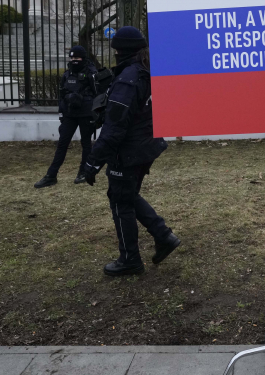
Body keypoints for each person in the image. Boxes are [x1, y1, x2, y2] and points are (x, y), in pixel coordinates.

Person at [81, 26, 180, 276]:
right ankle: (163, 236)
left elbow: (115, 127)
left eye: (115, 50)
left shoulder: (129, 78)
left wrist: (93, 162)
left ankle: (130, 259)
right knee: (126, 195)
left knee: (120, 201)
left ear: (121, 50)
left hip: (129, 151)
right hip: (146, 145)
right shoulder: (147, 71)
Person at [34, 46, 99, 188]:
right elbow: (62, 95)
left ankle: (84, 172)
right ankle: (51, 175)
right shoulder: (67, 74)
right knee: (62, 144)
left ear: (83, 58)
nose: (74, 60)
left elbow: (98, 94)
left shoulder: (91, 73)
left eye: (77, 58)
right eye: (72, 58)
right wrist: (61, 114)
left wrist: (95, 113)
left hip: (86, 114)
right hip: (70, 114)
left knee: (86, 143)